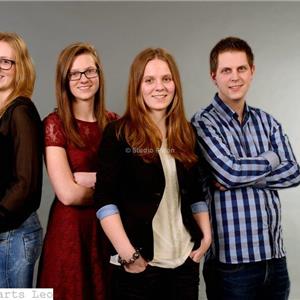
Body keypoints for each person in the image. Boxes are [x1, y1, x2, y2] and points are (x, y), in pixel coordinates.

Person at [94, 47, 211, 300]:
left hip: (185, 263)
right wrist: (129, 255)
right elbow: (104, 200)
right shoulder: (118, 134)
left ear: (175, 84)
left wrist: (206, 237)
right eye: (149, 80)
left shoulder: (186, 134)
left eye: (166, 79)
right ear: (137, 86)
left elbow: (195, 194)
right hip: (140, 266)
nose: (160, 87)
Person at [192, 36, 300, 300]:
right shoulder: (203, 122)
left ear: (252, 71)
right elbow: (230, 172)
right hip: (232, 264)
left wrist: (243, 176)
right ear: (213, 76)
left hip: (275, 259)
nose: (235, 77)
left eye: (241, 69)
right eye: (226, 70)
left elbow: (295, 172)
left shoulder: (267, 122)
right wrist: (271, 159)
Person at [37, 42, 118, 300]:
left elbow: (130, 184)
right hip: (70, 236)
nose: (84, 79)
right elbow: (68, 195)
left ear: (99, 75)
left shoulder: (115, 124)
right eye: (75, 73)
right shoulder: (54, 123)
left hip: (108, 232)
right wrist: (110, 188)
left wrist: (94, 179)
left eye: (90, 71)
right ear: (65, 79)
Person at [0, 32, 43, 288]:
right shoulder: (4, 112)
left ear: (20, 68)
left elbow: (26, 184)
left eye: (6, 61)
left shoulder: (21, 111)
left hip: (13, 234)